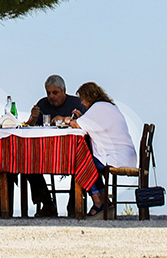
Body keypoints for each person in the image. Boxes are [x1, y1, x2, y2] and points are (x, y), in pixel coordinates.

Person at [67, 81, 136, 217]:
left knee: (82, 163)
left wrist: (68, 121)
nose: (82, 103)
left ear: (89, 97)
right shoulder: (109, 106)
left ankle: (98, 202)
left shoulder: (98, 107)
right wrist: (82, 119)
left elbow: (77, 125)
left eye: (83, 99)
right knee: (88, 162)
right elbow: (92, 123)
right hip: (124, 154)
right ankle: (105, 201)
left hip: (115, 157)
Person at [24, 74, 86, 217]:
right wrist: (32, 118)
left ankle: (74, 204)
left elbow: (87, 125)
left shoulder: (77, 103)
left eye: (55, 93)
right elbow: (28, 128)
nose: (51, 96)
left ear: (64, 91)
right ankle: (47, 204)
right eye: (48, 93)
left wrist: (67, 120)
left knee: (82, 162)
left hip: (71, 152)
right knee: (26, 163)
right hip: (45, 153)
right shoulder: (42, 104)